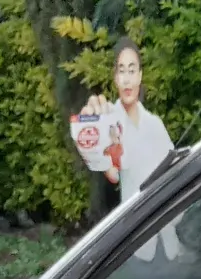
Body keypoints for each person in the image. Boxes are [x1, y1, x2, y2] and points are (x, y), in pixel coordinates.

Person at [74, 39, 177, 259]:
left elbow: (175, 172)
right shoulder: (109, 120)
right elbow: (111, 172)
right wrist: (89, 121)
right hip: (138, 243)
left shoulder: (155, 124)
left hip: (169, 243)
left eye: (132, 70)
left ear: (140, 75)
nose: (127, 78)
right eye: (122, 71)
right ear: (115, 78)